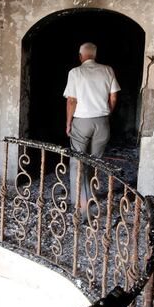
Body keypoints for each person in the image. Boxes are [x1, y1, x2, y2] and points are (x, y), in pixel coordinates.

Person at [63, 42, 120, 213]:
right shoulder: (108, 70)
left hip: (81, 121)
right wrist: (107, 114)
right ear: (95, 55)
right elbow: (114, 97)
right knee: (95, 161)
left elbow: (71, 100)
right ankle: (91, 195)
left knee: (77, 162)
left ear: (80, 56)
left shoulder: (75, 72)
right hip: (102, 121)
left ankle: (81, 203)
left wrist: (68, 123)